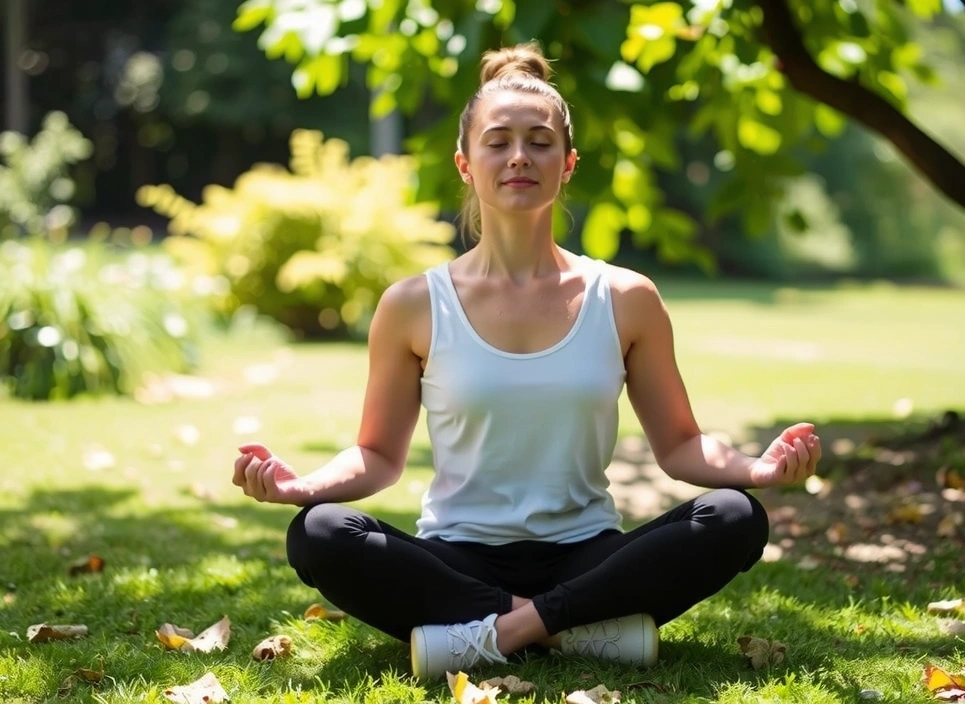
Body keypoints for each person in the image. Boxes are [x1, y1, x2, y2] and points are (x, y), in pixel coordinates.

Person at [232, 41, 822, 681]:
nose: (519, 156)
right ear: (465, 163)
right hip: (458, 558)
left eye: (540, 142)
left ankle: (494, 632)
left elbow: (680, 445)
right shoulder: (412, 305)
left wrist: (756, 470)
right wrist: (301, 487)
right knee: (317, 532)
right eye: (498, 141)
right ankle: (571, 631)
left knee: (734, 517)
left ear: (567, 164)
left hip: (587, 556)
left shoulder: (625, 298)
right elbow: (378, 456)